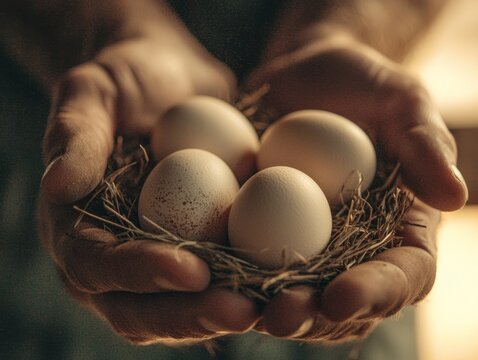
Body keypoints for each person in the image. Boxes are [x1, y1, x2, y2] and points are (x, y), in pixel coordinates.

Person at [0, 0, 468, 356]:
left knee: (349, 310)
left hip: (345, 269)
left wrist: (350, 28)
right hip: (54, 158)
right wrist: (107, 30)